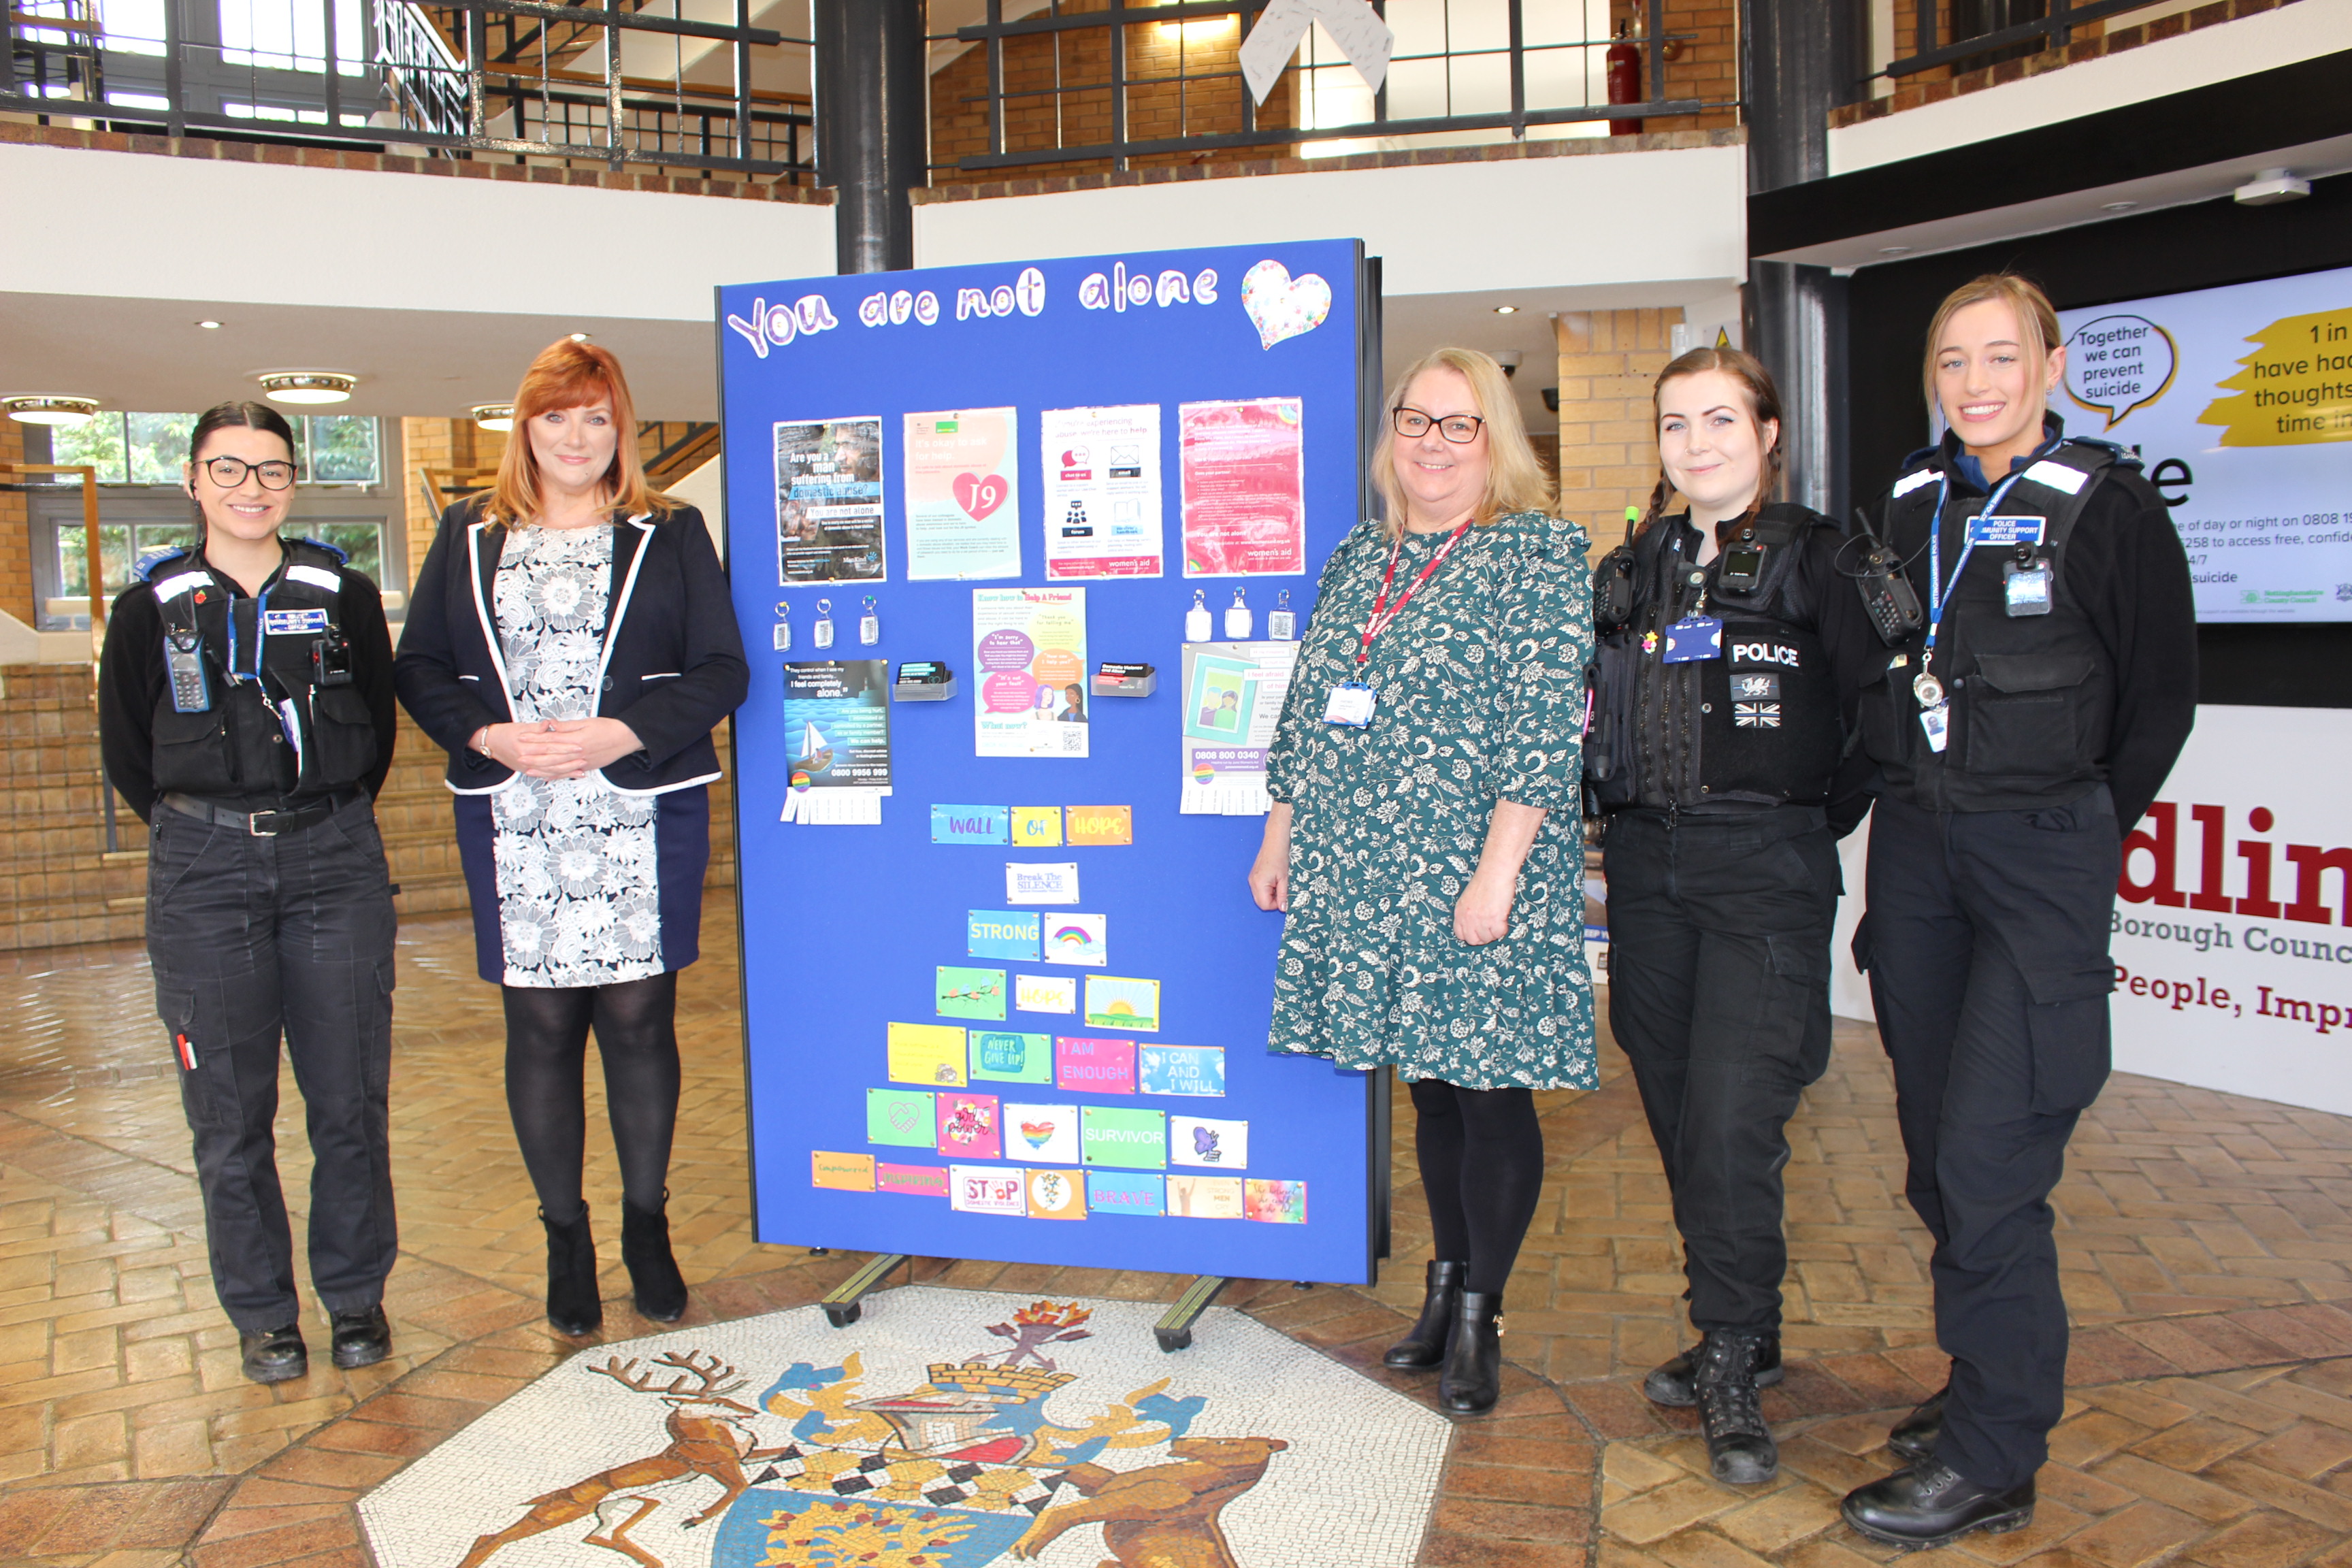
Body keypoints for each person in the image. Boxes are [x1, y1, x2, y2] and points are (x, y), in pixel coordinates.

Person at [1839, 275, 2195, 1546]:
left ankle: (1996, 1457)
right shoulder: (1910, 505)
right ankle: (1986, 1381)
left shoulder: (2109, 509)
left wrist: (2078, 832)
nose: (1977, 382)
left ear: (2049, 365)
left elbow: (2159, 702)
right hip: (1922, 856)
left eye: (2002, 356)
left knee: (1993, 1159)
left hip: (2041, 860)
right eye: (1954, 361)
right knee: (1940, 1155)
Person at [1249, 347, 1595, 1417]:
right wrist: (1280, 834)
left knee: (1490, 1089)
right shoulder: (1362, 555)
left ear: (1496, 443)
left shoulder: (1538, 551)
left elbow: (1543, 729)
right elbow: (1310, 706)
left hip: (1477, 865)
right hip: (1364, 862)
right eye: (1417, 421)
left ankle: (1484, 1312)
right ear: (1391, 434)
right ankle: (1442, 1290)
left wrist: (1497, 878)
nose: (1433, 443)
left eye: (1461, 425)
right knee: (1431, 1084)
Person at [395, 340, 747, 1337]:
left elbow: (722, 669)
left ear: (621, 430)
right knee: (541, 1028)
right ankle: (564, 1235)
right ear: (526, 426)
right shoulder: (469, 532)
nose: (577, 436)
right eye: (558, 416)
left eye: (597, 417)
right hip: (517, 815)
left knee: (639, 1022)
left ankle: (647, 1225)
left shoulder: (668, 531)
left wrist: (625, 730)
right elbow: (419, 666)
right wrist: (484, 731)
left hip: (635, 807)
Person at [1586, 348, 1881, 1483]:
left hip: (1766, 871)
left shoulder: (1821, 559)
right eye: (1675, 423)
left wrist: (1790, 820)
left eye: (1719, 419)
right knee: (1673, 1107)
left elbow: (1872, 724)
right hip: (1647, 875)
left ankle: (1729, 1350)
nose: (1696, 442)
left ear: (1766, 434)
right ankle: (1742, 1322)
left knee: (1729, 1118)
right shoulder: (1640, 567)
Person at [98, 401, 400, 1384]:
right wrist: (216, 826)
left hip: (334, 865)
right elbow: (128, 754)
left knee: (348, 1098)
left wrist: (312, 816)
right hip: (202, 870)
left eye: (271, 471)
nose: (251, 490)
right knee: (228, 1115)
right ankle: (265, 1315)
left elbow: (379, 736)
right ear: (193, 483)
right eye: (229, 471)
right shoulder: (151, 608)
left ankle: (355, 1297)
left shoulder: (342, 592)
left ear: (291, 485)